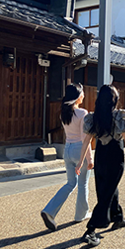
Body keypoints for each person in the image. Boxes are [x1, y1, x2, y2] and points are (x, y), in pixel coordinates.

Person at [75, 84, 125, 246]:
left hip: (101, 156)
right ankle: (90, 230)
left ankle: (117, 218)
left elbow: (86, 142)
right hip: (115, 157)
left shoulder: (94, 117)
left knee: (108, 188)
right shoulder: (120, 116)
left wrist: (80, 161)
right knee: (108, 192)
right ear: (115, 100)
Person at [41, 83, 94, 231]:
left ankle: (49, 211)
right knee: (83, 183)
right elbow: (85, 139)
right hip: (79, 150)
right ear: (78, 97)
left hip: (68, 149)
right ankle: (80, 214)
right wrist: (89, 159)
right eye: (82, 93)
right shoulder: (82, 113)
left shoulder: (63, 113)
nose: (83, 95)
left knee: (70, 183)